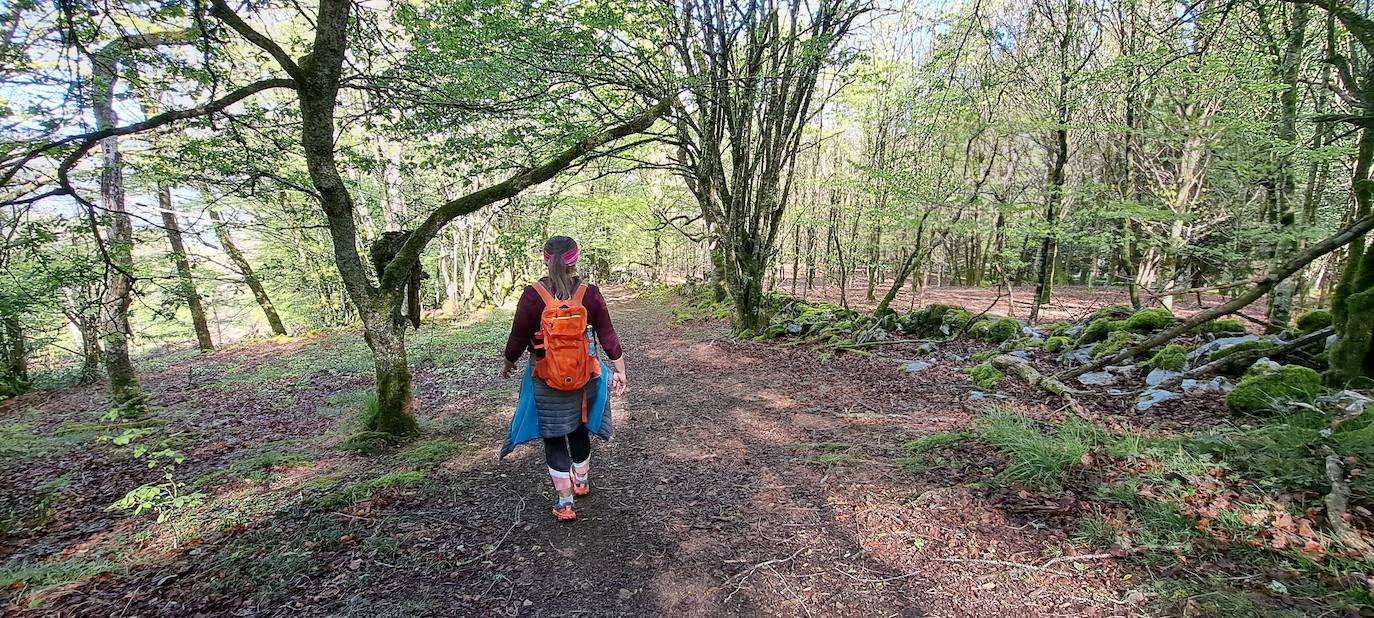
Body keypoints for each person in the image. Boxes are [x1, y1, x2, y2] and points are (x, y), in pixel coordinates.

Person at [502, 236, 627, 521]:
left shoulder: (533, 295)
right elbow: (607, 335)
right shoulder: (590, 293)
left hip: (546, 379)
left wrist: (508, 363)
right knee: (578, 428)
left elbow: (518, 337)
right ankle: (581, 481)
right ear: (575, 259)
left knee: (554, 435)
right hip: (585, 376)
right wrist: (620, 369)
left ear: (545, 258)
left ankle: (565, 502)